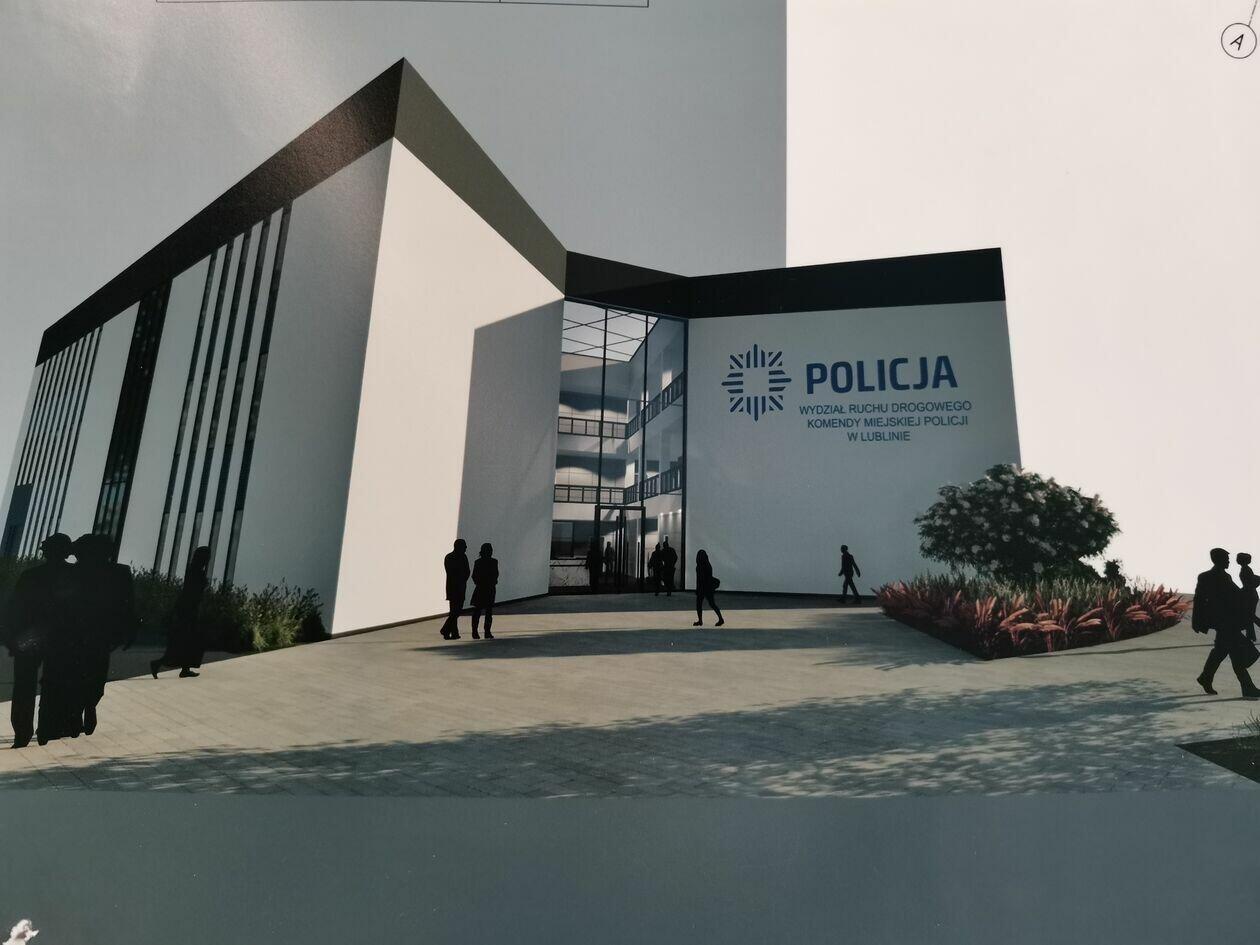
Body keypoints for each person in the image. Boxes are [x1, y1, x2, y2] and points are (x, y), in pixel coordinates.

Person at [2, 533, 74, 748]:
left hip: (29, 638)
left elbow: (14, 609)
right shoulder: (74, 575)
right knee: (54, 685)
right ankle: (46, 729)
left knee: (24, 686)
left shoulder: (30, 575)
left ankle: (22, 732)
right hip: (60, 638)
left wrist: (11, 638)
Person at [71, 533, 137, 736]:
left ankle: (86, 706)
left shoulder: (117, 572)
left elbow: (129, 604)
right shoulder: (116, 572)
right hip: (88, 632)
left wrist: (129, 629)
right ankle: (83, 708)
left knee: (93, 675)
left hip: (96, 632)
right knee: (91, 674)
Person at [1194, 547, 1260, 698]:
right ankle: (1247, 688)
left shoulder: (1225, 576)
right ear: (1219, 560)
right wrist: (1197, 621)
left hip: (1228, 622)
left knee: (1221, 651)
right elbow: (1199, 600)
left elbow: (1237, 596)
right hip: (1224, 622)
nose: (1229, 561)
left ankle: (1206, 677)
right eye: (1227, 559)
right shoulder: (1209, 577)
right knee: (1237, 653)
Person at [151, 546, 210, 678]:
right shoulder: (196, 571)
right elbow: (194, 592)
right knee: (187, 640)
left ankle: (182, 668)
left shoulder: (192, 570)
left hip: (186, 609)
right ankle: (177, 667)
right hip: (189, 609)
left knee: (185, 640)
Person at [441, 539, 470, 640]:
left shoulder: (449, 557)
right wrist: (462, 580)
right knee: (456, 611)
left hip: (452, 587)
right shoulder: (462, 557)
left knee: (454, 611)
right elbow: (467, 572)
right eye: (464, 546)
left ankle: (453, 632)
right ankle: (446, 630)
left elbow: (450, 572)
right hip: (458, 587)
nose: (466, 548)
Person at [470, 543, 499, 640]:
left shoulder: (478, 562)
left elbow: (474, 575)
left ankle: (475, 632)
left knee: (477, 611)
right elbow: (496, 574)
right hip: (489, 589)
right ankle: (487, 632)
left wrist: (479, 583)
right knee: (488, 612)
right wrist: (493, 582)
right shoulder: (494, 562)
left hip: (480, 588)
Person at [693, 550, 725, 627]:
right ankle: (720, 619)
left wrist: (698, 589)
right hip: (708, 588)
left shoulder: (699, 566)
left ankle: (700, 621)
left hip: (702, 588)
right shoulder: (708, 565)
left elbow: (699, 579)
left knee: (699, 605)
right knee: (712, 604)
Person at [1239, 553, 1258, 642]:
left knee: (1250, 616)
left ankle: (1250, 636)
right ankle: (1251, 636)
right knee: (1250, 616)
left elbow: (1248, 583)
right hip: (1250, 594)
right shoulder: (1246, 569)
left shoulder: (1246, 570)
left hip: (1249, 595)